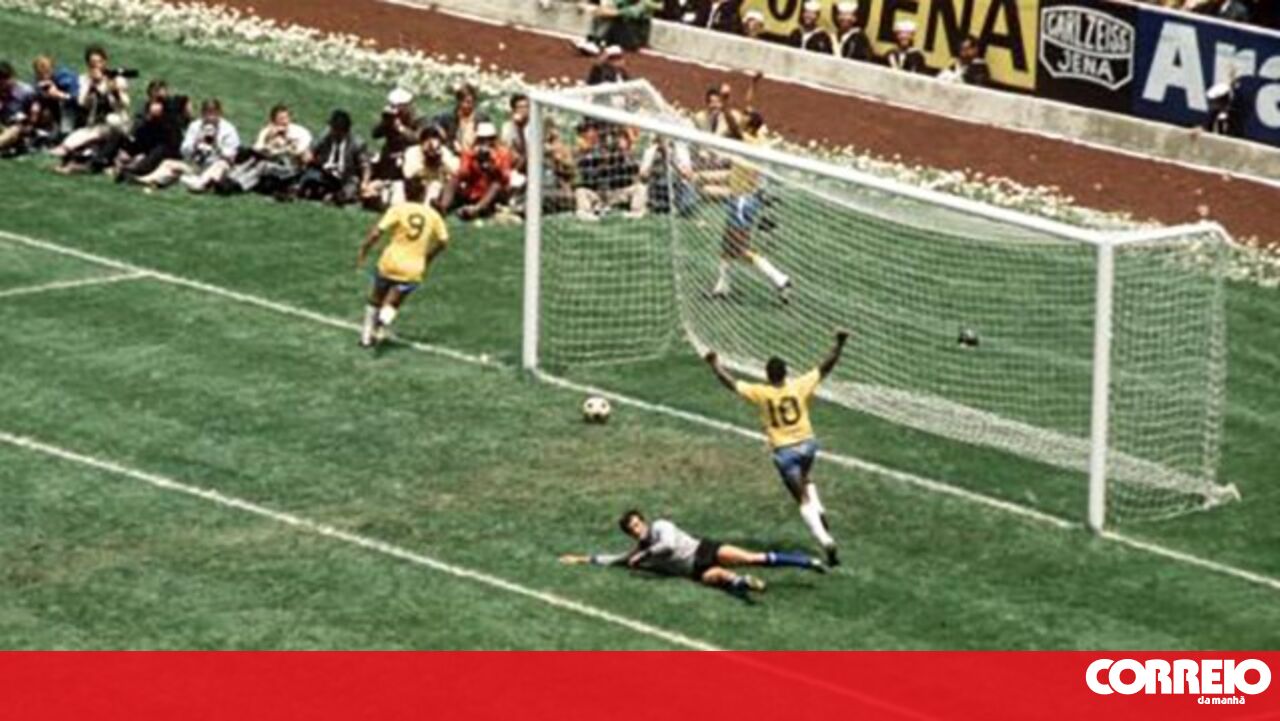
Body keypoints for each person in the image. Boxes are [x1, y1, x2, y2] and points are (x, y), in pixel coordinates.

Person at [703, 329, 851, 566]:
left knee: (801, 499)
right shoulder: (799, 386)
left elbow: (731, 383)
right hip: (808, 445)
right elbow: (825, 367)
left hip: (785, 452)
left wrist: (714, 364)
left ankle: (825, 540)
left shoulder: (762, 393)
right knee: (805, 477)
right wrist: (839, 343)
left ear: (767, 375)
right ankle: (818, 508)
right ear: (786, 373)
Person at [559, 510, 827, 599]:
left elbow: (668, 546)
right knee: (721, 577)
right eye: (632, 529)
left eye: (638, 524)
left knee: (753, 558)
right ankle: (745, 584)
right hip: (694, 570)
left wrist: (643, 555)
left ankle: (806, 562)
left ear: (644, 521)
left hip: (704, 549)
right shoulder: (639, 551)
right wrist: (582, 559)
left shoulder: (660, 526)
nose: (637, 529)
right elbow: (615, 560)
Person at [355, 178, 450, 348]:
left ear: (405, 193)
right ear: (423, 194)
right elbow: (443, 241)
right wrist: (429, 256)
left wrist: (364, 248)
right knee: (393, 303)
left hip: (389, 262)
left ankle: (366, 337)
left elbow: (377, 232)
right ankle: (381, 323)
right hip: (413, 268)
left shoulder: (398, 209)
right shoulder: (433, 215)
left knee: (375, 298)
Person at [711, 109, 791, 302]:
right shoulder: (760, 138)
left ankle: (779, 278)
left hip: (742, 201)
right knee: (727, 243)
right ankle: (722, 286)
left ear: (750, 126)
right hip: (743, 199)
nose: (741, 118)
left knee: (740, 248)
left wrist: (725, 105)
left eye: (745, 118)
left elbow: (732, 127)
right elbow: (747, 119)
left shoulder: (748, 141)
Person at [51, 45, 132, 166]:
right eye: (93, 63)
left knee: (112, 120)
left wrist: (115, 91)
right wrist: (92, 87)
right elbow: (82, 103)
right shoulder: (84, 80)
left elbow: (125, 104)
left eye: (99, 62)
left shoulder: (117, 79)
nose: (97, 66)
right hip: (95, 124)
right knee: (70, 143)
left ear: (105, 62)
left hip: (116, 122)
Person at [139, 98, 239, 189]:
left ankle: (197, 183)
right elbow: (183, 151)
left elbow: (230, 157)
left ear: (220, 113)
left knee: (220, 166)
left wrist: (216, 145)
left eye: (213, 113)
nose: (210, 117)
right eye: (207, 113)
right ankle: (146, 179)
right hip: (196, 165)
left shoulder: (228, 130)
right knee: (168, 163)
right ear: (202, 113)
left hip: (215, 166)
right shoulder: (195, 126)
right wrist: (195, 144)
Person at [219, 102, 312, 195]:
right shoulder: (267, 131)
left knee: (263, 165)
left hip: (290, 166)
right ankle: (230, 179)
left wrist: (284, 145)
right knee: (252, 160)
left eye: (286, 118)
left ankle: (238, 185)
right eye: (280, 119)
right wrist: (269, 141)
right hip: (271, 162)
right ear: (273, 121)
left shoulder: (300, 133)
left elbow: (298, 152)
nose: (284, 122)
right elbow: (256, 149)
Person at [572, 120, 647, 220]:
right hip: (598, 194)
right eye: (604, 137)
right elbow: (584, 176)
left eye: (613, 136)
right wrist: (600, 166)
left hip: (618, 193)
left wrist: (623, 156)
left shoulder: (621, 154)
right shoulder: (592, 153)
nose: (608, 140)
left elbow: (633, 173)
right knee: (580, 191)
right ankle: (585, 212)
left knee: (640, 188)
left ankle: (636, 212)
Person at [441, 121, 514, 220]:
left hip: (493, 193)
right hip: (473, 191)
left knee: (496, 185)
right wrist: (473, 158)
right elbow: (462, 174)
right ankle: (443, 207)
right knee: (454, 179)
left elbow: (506, 178)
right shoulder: (470, 153)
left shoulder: (503, 154)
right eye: (482, 139)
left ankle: (476, 210)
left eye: (489, 139)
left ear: (494, 139)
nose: (486, 142)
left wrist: (493, 164)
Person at [362, 88, 419, 209]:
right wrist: (385, 122)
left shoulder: (418, 119)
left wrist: (400, 128)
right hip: (388, 156)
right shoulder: (390, 119)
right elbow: (375, 134)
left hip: (408, 157)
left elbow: (418, 139)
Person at [297, 109, 368, 205]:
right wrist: (307, 157)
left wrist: (364, 182)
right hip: (325, 173)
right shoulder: (325, 136)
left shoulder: (357, 143)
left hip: (346, 177)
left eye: (334, 128)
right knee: (309, 178)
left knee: (348, 191)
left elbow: (365, 166)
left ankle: (333, 196)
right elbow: (310, 150)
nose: (332, 131)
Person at [573, 0, 653, 55]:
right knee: (603, 11)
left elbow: (632, 12)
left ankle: (596, 43)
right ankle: (591, 40)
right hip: (623, 33)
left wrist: (610, 12)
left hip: (635, 38)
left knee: (611, 16)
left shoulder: (645, 3)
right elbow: (613, 3)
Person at [431, 83, 486, 155]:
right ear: (459, 101)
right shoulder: (449, 117)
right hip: (453, 154)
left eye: (473, 102)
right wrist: (439, 130)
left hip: (473, 156)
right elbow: (432, 123)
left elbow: (491, 141)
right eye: (467, 102)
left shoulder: (481, 118)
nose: (471, 105)